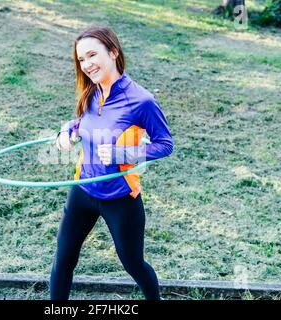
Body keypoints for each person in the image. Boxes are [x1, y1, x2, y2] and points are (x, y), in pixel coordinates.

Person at [51, 25, 174, 300]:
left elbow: (166, 144)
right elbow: (83, 122)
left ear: (114, 52)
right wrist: (67, 130)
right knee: (63, 260)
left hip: (120, 197)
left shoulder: (141, 101)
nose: (86, 65)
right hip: (83, 189)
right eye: (81, 59)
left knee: (133, 264)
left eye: (92, 55)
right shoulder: (91, 92)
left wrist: (124, 155)